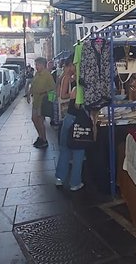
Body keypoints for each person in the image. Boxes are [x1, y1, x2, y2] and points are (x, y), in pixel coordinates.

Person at [55, 56, 86, 191]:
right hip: (78, 120)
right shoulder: (80, 86)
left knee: (64, 149)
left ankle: (59, 178)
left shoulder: (67, 79)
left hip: (68, 118)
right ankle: (75, 183)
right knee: (78, 152)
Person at [27, 57, 55, 148]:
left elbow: (52, 88)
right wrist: (28, 94)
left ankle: (44, 139)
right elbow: (33, 85)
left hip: (42, 102)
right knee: (34, 119)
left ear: (43, 65)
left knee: (39, 120)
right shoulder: (37, 74)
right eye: (35, 64)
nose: (36, 66)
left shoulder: (47, 75)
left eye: (37, 64)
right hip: (36, 101)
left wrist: (44, 93)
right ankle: (40, 136)